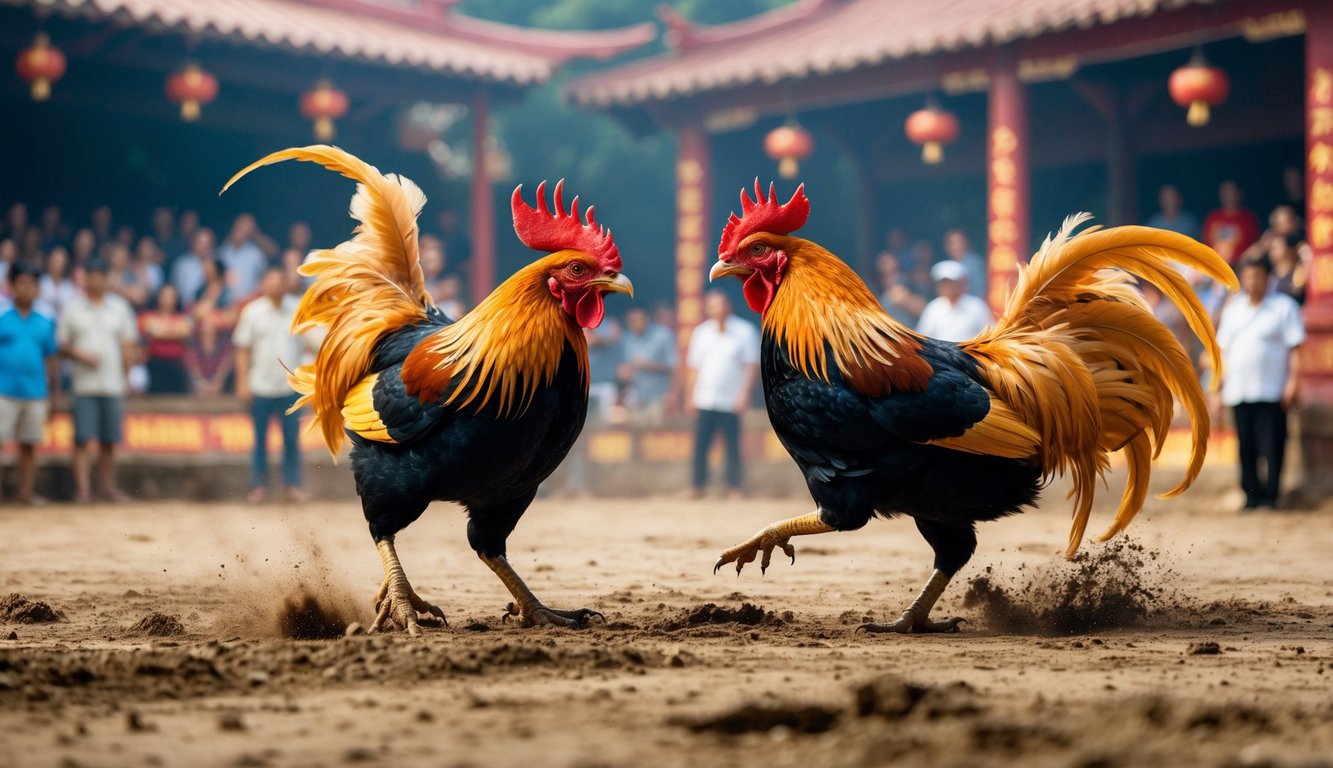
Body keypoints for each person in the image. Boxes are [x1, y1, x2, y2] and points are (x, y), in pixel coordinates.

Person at [1214, 253, 1304, 511]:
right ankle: (1251, 496)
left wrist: (1293, 382)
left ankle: (1271, 496)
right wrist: (1217, 390)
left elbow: (1295, 348)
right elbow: (1222, 353)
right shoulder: (1233, 311)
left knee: (1273, 444)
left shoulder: (1284, 307)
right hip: (1239, 390)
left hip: (1272, 389)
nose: (1254, 281)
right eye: (1249, 276)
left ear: (1268, 278)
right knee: (1246, 446)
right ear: (1242, 278)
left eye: (1258, 276)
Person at [57, 259, 138, 503]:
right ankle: (83, 489)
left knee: (109, 440)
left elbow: (128, 345)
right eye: (91, 277)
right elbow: (61, 345)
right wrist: (79, 354)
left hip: (113, 384)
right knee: (82, 438)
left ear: (106, 280)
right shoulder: (73, 309)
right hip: (83, 385)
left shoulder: (120, 308)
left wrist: (127, 377)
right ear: (85, 281)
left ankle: (107, 488)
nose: (96, 282)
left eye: (100, 277)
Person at [233, 267, 309, 503]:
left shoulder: (299, 309)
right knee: (259, 440)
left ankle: (292, 486)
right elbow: (243, 350)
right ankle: (259, 486)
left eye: (279, 281)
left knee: (291, 440)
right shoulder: (252, 311)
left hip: (291, 387)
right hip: (259, 386)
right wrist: (242, 382)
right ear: (263, 285)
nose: (275, 285)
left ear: (286, 284)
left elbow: (311, 343)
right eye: (271, 281)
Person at [686, 291, 760, 499]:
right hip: (705, 397)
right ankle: (697, 486)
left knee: (732, 444)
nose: (715, 309)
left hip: (732, 398)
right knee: (701, 444)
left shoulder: (745, 331)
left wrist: (745, 393)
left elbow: (751, 366)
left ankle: (734, 487)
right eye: (711, 306)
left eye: (719, 305)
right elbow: (694, 368)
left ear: (728, 306)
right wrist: (690, 395)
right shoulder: (701, 333)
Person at [0, 262, 59, 506]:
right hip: (4, 391)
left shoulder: (45, 323)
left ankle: (25, 493)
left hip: (35, 392)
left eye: (31, 284)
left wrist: (54, 395)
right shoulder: (2, 319)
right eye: (22, 283)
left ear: (37, 289)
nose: (27, 288)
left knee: (29, 445)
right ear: (12, 286)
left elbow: (52, 361)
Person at [618, 306, 677, 427]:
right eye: (631, 321)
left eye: (637, 320)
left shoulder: (663, 335)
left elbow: (673, 366)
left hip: (658, 396)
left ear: (646, 319)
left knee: (657, 434)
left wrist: (648, 365)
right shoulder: (626, 339)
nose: (634, 324)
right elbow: (624, 366)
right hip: (635, 397)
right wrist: (623, 372)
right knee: (636, 434)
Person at [915, 260, 994, 342]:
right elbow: (922, 338)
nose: (947, 287)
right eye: (943, 283)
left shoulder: (976, 307)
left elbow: (991, 336)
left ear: (961, 284)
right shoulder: (933, 307)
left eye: (950, 283)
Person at [139, 284, 193, 394]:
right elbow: (153, 331)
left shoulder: (182, 318)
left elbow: (185, 331)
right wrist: (175, 331)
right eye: (165, 296)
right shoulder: (148, 316)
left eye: (171, 296)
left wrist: (162, 331)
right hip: (156, 364)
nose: (168, 300)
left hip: (176, 365)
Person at [1202, 180, 1261, 266]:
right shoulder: (1213, 218)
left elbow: (1256, 245)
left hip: (1241, 265)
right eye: (1226, 193)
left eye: (1232, 193)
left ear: (1239, 195)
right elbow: (1205, 245)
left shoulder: (1249, 218)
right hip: (1214, 265)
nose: (1229, 197)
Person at [218, 213, 273, 300]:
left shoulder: (255, 253)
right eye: (238, 227)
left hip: (249, 301)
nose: (240, 230)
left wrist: (254, 233)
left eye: (243, 227)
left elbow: (263, 277)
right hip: (226, 302)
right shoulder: (224, 252)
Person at [875, 250, 926, 326]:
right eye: (883, 264)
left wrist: (906, 300)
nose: (886, 267)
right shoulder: (875, 290)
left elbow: (923, 311)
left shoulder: (909, 285)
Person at [172, 228, 214, 307]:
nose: (204, 246)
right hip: (184, 309)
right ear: (193, 243)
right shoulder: (182, 264)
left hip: (209, 310)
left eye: (207, 242)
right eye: (200, 242)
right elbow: (174, 289)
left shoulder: (217, 264)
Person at [942, 229, 987, 298]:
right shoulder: (947, 265)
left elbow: (980, 290)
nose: (956, 247)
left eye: (959, 242)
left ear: (966, 243)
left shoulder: (975, 263)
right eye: (952, 243)